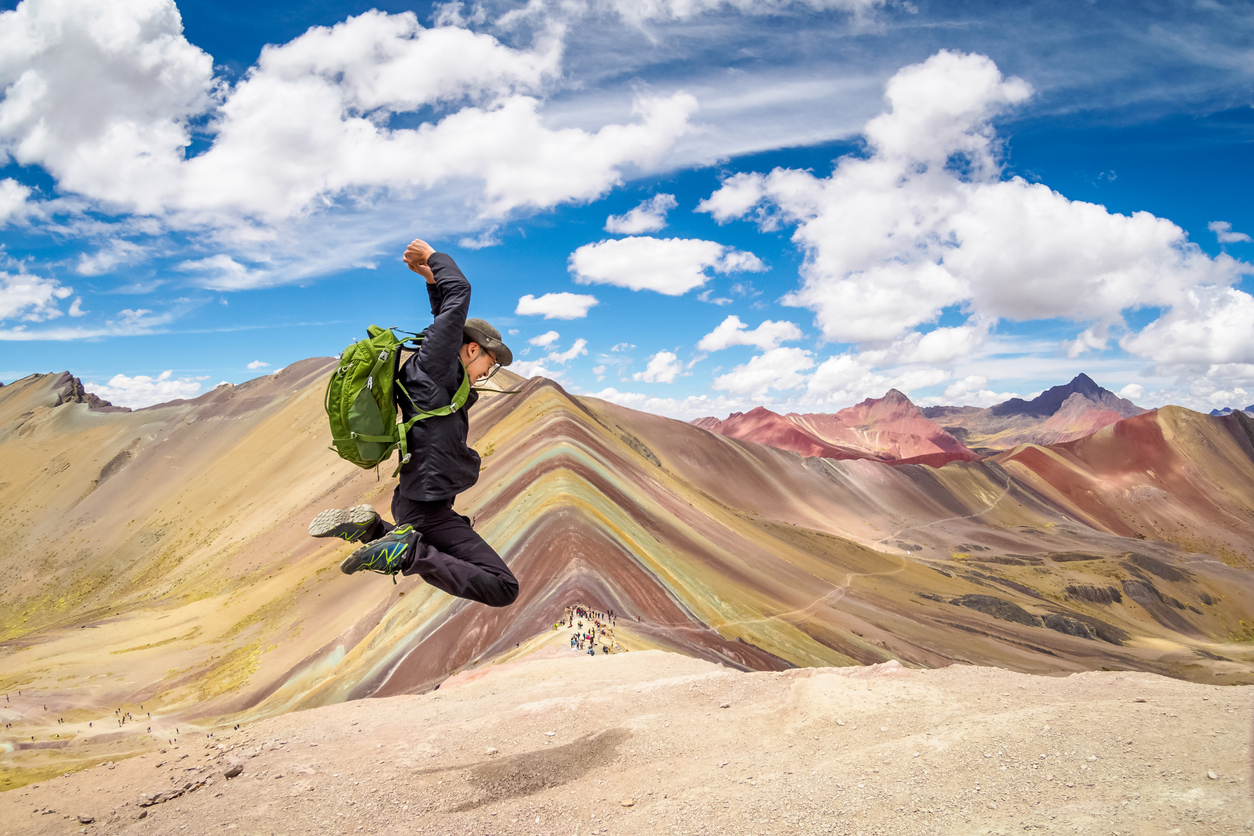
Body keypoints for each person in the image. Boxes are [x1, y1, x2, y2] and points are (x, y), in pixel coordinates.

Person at [307, 238, 520, 608]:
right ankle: (403, 553)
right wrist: (435, 259)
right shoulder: (436, 365)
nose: (489, 371)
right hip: (426, 505)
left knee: (436, 546)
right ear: (472, 349)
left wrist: (430, 280)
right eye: (491, 361)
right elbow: (460, 295)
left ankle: (371, 530)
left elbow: (445, 317)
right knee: (503, 587)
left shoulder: (433, 369)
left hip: (416, 500)